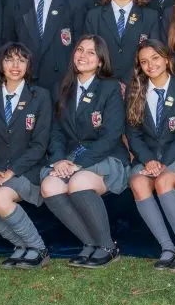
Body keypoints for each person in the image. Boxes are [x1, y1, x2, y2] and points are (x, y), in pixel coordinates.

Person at [41, 35, 131, 268]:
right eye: (80, 50)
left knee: (78, 182)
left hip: (106, 157)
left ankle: (109, 247)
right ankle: (90, 244)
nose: (83, 56)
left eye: (91, 52)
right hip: (72, 158)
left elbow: (112, 134)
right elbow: (57, 131)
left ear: (101, 61)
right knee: (49, 186)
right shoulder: (63, 87)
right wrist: (60, 159)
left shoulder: (110, 88)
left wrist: (79, 163)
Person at [0, 43, 52, 269]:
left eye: (21, 60)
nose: (15, 65)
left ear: (29, 65)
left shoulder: (40, 96)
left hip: (28, 170)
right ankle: (22, 245)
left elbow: (39, 145)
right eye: (9, 60)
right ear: (0, 64)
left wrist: (11, 172)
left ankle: (39, 248)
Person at [126, 40, 175, 270]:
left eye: (155, 58)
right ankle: (167, 247)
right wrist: (149, 161)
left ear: (167, 59)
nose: (151, 65)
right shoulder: (136, 90)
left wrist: (163, 163)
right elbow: (133, 133)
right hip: (148, 160)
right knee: (138, 182)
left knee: (164, 180)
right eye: (144, 61)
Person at [2, 0, 87, 96]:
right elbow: (7, 43)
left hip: (63, 85)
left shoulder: (75, 3)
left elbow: (80, 46)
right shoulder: (14, 1)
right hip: (24, 83)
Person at [83, 0, 161, 84]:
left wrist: (127, 83)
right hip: (102, 86)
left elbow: (153, 56)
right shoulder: (93, 16)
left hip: (137, 87)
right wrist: (111, 84)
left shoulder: (150, 17)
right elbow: (88, 55)